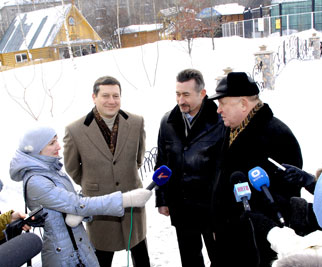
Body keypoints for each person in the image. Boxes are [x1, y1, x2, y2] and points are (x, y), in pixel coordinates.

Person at [9, 126, 152, 266]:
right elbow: (77, 204)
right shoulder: (36, 181)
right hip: (63, 255)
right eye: (52, 143)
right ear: (36, 149)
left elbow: (71, 204)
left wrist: (79, 214)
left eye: (57, 140)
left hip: (79, 246)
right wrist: (126, 200)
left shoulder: (52, 171)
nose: (58, 146)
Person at [209, 72, 303, 267]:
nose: (218, 111)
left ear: (243, 104)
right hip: (228, 238)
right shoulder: (231, 128)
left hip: (256, 246)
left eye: (222, 104)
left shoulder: (278, 135)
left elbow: (285, 199)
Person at [63, 75, 150, 267]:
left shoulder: (136, 122)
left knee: (141, 256)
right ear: (94, 97)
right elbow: (72, 168)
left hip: (132, 205)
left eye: (116, 96)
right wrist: (94, 184)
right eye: (105, 96)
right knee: (101, 259)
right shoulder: (75, 130)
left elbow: (138, 159)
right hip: (99, 208)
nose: (112, 101)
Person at [154, 69, 225, 267]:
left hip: (212, 207)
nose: (180, 100)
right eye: (177, 94)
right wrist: (162, 198)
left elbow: (225, 165)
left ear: (202, 93)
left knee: (221, 258)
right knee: (190, 260)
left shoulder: (220, 120)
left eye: (186, 94)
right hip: (182, 206)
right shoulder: (167, 121)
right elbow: (161, 162)